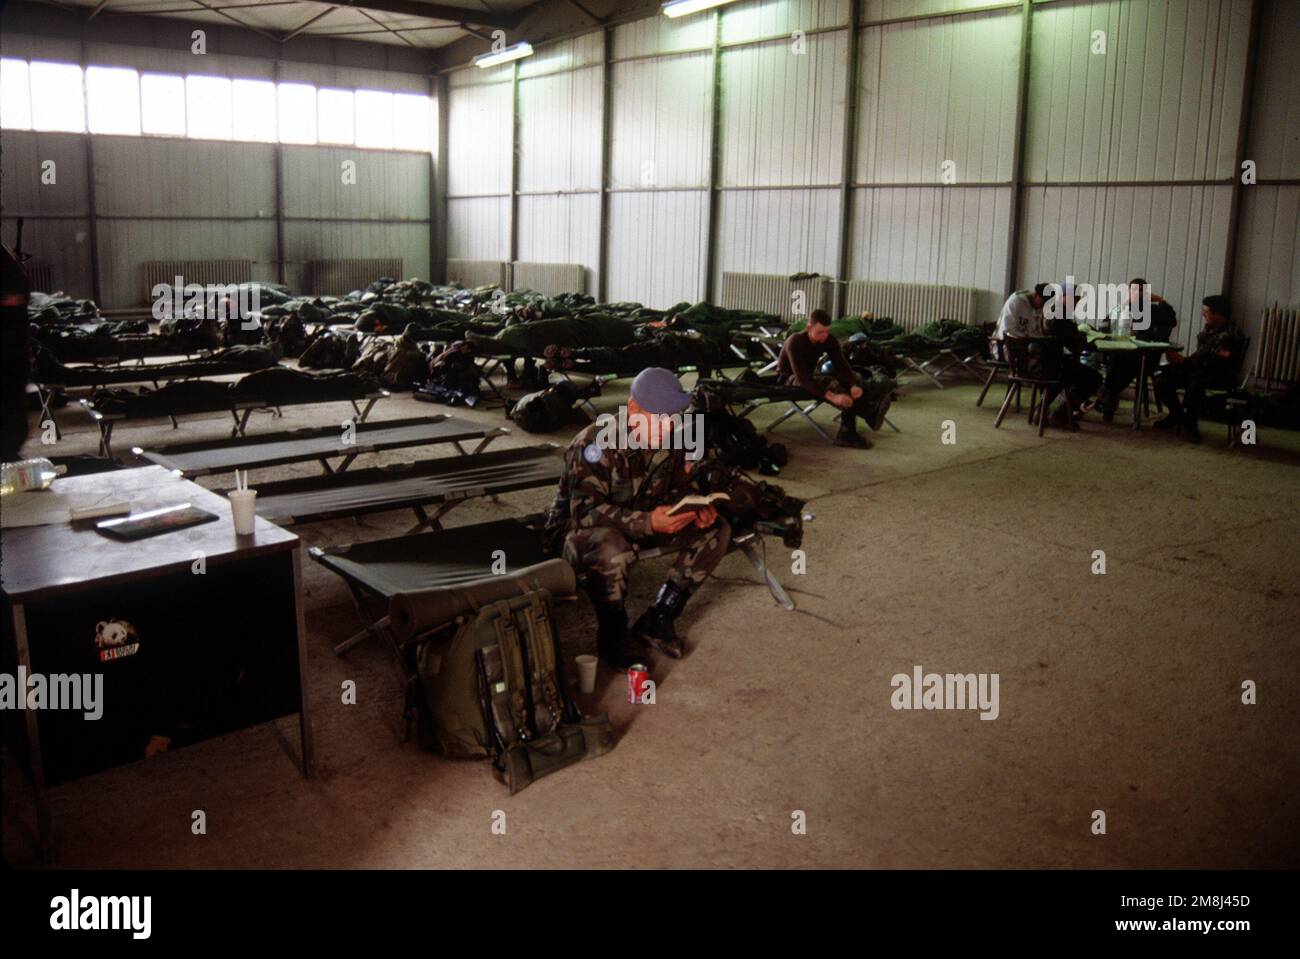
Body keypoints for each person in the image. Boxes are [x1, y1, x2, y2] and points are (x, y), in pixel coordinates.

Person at [542, 367, 731, 668]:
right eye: (658, 418)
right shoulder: (594, 444)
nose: (668, 427)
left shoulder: (672, 437)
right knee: (612, 546)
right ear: (632, 409)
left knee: (717, 529)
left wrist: (695, 508)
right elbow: (583, 514)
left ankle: (659, 618)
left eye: (673, 417)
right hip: (578, 535)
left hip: (640, 518)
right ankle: (614, 636)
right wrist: (648, 522)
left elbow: (680, 487)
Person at [776, 309, 892, 449]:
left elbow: (842, 366)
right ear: (808, 328)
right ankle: (866, 414)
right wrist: (832, 397)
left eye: (827, 331)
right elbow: (803, 379)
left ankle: (850, 430)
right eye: (820, 332)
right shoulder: (795, 341)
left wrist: (853, 384)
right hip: (787, 380)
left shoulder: (828, 339)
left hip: (809, 376)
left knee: (851, 379)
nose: (824, 336)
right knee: (829, 383)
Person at [1152, 295, 1244, 443]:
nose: (1203, 314)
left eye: (1206, 311)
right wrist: (1183, 361)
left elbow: (1215, 364)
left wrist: (1184, 362)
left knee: (1196, 380)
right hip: (1197, 369)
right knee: (1161, 374)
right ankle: (1177, 415)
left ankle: (1190, 423)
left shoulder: (1229, 336)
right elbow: (1200, 357)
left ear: (1218, 314)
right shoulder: (1210, 330)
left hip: (1217, 376)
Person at [1092, 279, 1179, 422]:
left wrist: (1160, 300)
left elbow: (1172, 320)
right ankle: (1106, 397)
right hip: (1123, 354)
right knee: (1116, 362)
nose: (1137, 293)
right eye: (1134, 290)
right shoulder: (1122, 308)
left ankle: (1105, 397)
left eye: (1141, 291)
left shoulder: (1153, 310)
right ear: (1128, 292)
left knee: (1120, 365)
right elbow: (1105, 325)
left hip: (1146, 356)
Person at [993, 283, 1049, 350]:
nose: (1042, 307)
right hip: (1004, 347)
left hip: (1025, 346)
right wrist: (1027, 337)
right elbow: (1006, 331)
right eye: (1043, 303)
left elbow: (1037, 331)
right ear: (1036, 295)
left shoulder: (1038, 309)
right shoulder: (1015, 301)